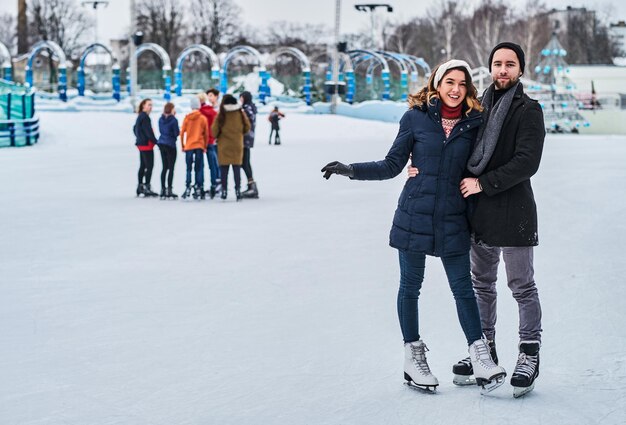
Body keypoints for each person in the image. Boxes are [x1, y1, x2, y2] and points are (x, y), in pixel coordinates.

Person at [321, 60, 506, 393]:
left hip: (453, 216)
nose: (455, 89)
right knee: (410, 286)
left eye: (462, 84)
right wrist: (350, 169)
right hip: (414, 214)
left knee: (463, 287)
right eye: (449, 82)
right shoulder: (415, 118)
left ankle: (479, 355)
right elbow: (392, 164)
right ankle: (413, 358)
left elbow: (484, 163)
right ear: (436, 84)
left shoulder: (475, 122)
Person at [408, 43, 545, 397]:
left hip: (513, 211)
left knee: (522, 287)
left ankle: (529, 353)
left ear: (520, 69)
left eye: (510, 64)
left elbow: (527, 161)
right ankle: (485, 350)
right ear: (490, 68)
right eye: (497, 63)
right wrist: (422, 167)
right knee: (481, 285)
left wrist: (484, 182)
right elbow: (452, 148)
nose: (503, 70)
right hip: (479, 213)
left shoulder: (529, 109)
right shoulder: (477, 110)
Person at [211, 94, 250, 201]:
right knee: (236, 168)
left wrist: (220, 135)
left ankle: (224, 191)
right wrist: (239, 133)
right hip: (237, 144)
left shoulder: (221, 114)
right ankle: (238, 190)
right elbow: (247, 126)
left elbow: (214, 131)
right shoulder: (240, 113)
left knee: (224, 169)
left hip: (224, 145)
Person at [180, 96, 209, 200]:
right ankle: (198, 187)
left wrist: (183, 145)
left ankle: (188, 186)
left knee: (188, 168)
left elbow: (182, 132)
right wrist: (205, 146)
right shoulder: (202, 118)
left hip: (189, 146)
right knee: (199, 168)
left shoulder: (187, 118)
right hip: (199, 145)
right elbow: (206, 133)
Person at [133, 98, 158, 197]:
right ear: (143, 105)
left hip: (141, 144)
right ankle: (147, 186)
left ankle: (140, 186)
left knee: (143, 165)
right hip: (147, 145)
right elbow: (149, 132)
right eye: (149, 105)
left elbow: (134, 128)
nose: (150, 107)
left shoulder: (140, 116)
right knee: (149, 166)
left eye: (151, 105)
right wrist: (156, 141)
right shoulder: (145, 117)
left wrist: (139, 138)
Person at [200, 88, 221, 199]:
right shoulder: (208, 109)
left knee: (218, 163)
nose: (210, 98)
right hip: (211, 139)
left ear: (217, 96)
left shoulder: (219, 109)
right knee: (213, 163)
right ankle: (216, 184)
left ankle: (219, 184)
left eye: (212, 95)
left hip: (218, 139)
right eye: (208, 96)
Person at [157, 102, 180, 199]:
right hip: (170, 145)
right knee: (171, 168)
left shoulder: (160, 119)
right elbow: (176, 133)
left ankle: (163, 189)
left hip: (162, 143)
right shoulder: (174, 120)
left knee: (164, 167)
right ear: (171, 109)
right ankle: (169, 189)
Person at [240, 91, 259, 198]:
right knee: (245, 162)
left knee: (244, 162)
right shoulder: (250, 108)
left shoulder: (247, 109)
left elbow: (246, 122)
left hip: (245, 138)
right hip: (248, 138)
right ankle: (251, 185)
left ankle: (252, 186)